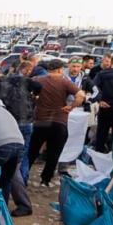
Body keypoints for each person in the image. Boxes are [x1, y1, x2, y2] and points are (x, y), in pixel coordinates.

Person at [27, 59, 85, 188]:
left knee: (32, 151)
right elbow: (81, 95)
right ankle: (45, 180)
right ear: (60, 69)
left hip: (41, 122)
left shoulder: (38, 79)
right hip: (59, 122)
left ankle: (24, 176)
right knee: (54, 153)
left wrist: (35, 99)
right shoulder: (65, 82)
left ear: (48, 69)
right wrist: (71, 107)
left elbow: (28, 92)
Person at [0, 61, 42, 184]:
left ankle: (2, 181)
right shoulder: (18, 79)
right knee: (23, 153)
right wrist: (34, 96)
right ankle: (22, 182)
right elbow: (38, 86)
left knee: (4, 151)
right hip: (26, 120)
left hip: (8, 123)